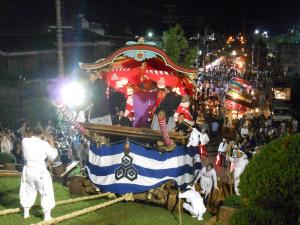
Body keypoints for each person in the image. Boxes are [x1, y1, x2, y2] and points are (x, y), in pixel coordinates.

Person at [19, 127, 58, 221]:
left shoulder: (25, 141)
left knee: (28, 189)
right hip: (39, 170)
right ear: (42, 134)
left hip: (28, 170)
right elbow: (53, 157)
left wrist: (44, 138)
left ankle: (26, 213)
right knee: (46, 191)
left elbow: (29, 138)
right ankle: (47, 216)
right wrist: (51, 141)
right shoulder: (44, 144)